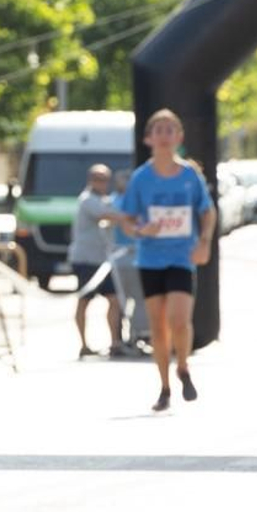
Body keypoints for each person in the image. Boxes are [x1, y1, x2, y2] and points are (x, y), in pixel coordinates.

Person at [115, 109, 216, 412]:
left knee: (180, 320)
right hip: (150, 258)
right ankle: (164, 387)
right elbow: (126, 220)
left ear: (179, 137)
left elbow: (207, 211)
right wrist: (139, 229)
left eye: (170, 129)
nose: (163, 134)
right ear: (148, 138)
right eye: (158, 129)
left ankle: (182, 366)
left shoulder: (189, 176)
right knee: (158, 328)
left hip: (181, 257)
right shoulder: (141, 178)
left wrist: (205, 241)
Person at [68, 164, 122, 359]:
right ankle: (83, 344)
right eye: (98, 179)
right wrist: (133, 219)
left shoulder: (104, 200)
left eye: (105, 179)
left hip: (102, 260)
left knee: (114, 300)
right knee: (84, 301)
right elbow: (108, 215)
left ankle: (115, 341)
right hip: (85, 259)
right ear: (91, 180)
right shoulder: (87, 200)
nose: (102, 183)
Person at [108, 168, 151, 353]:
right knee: (138, 300)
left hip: (120, 258)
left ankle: (119, 340)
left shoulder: (111, 202)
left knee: (120, 302)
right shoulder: (135, 204)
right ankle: (137, 336)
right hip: (130, 257)